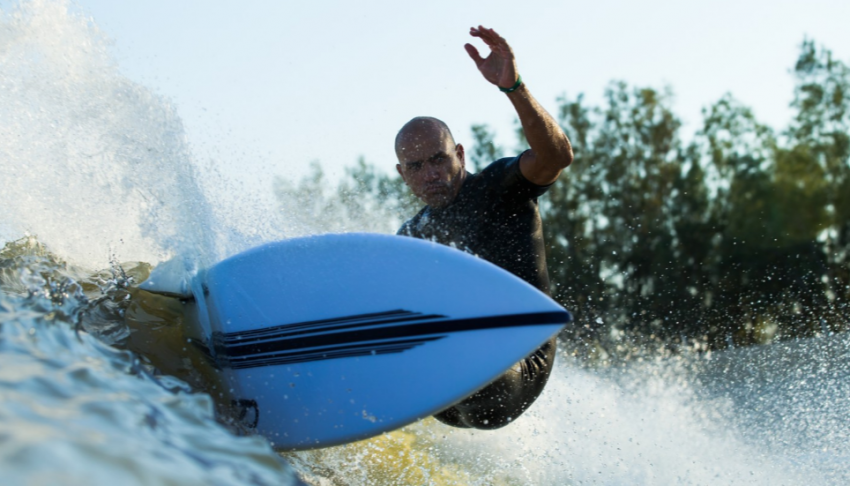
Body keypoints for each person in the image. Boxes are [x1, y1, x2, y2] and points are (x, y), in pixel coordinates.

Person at [395, 26, 574, 429]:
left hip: (516, 364)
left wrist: (514, 87)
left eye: (439, 159)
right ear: (403, 174)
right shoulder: (412, 235)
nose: (431, 174)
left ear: (459, 154)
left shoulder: (497, 188)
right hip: (449, 393)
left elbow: (557, 156)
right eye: (416, 167)